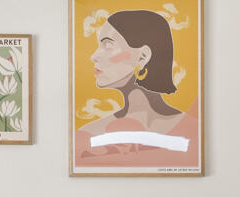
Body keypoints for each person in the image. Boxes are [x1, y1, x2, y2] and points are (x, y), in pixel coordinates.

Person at [74, 9, 198, 170]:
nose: (94, 56)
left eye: (108, 45)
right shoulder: (89, 133)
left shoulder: (193, 130)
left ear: (142, 57)